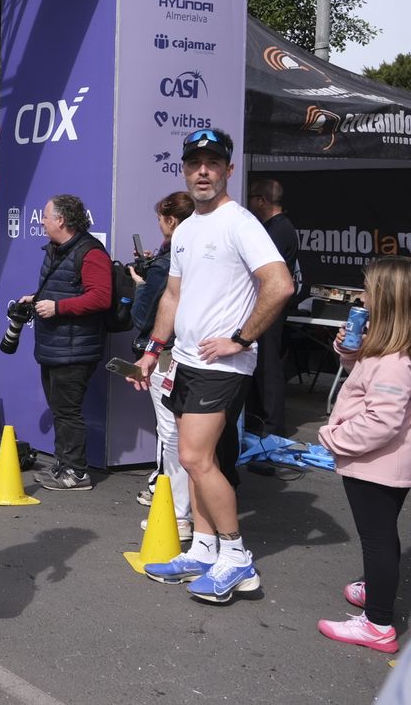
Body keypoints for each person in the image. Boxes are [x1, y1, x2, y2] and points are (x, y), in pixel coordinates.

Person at [131, 128, 292, 604]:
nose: (203, 170)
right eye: (195, 162)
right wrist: (153, 349)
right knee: (192, 459)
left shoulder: (240, 222)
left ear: (228, 170)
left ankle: (238, 559)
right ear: (185, 169)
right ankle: (204, 549)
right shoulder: (186, 229)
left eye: (213, 163)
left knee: (196, 459)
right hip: (183, 360)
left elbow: (279, 285)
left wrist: (241, 338)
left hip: (222, 366)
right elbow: (173, 296)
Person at [316, 256, 411, 652]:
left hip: (377, 465)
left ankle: (378, 624)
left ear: (386, 299)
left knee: (377, 539)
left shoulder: (394, 362)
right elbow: (366, 384)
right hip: (385, 463)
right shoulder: (389, 348)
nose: (363, 295)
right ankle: (376, 589)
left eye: (369, 289)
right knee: (382, 534)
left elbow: (382, 421)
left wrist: (333, 437)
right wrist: (350, 353)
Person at [19, 194, 112, 492]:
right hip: (55, 344)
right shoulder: (58, 250)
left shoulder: (90, 252)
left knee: (67, 411)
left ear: (60, 220)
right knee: (61, 408)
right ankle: (64, 465)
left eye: (45, 215)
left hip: (75, 348)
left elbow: (101, 297)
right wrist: (37, 298)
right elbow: (62, 287)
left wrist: (59, 308)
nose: (42, 220)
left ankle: (76, 472)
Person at [130, 192, 196, 542]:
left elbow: (142, 316)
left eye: (161, 218)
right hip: (201, 356)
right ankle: (187, 513)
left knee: (172, 434)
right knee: (191, 438)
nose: (158, 223)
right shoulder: (197, 256)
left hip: (169, 355)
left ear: (171, 222)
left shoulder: (164, 265)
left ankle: (178, 514)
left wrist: (140, 286)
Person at [246, 177, 303, 437]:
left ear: (262, 201)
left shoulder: (279, 231)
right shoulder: (274, 228)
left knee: (269, 367)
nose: (249, 204)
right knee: (261, 366)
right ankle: (260, 420)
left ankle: (273, 427)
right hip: (264, 306)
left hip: (270, 308)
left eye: (252, 199)